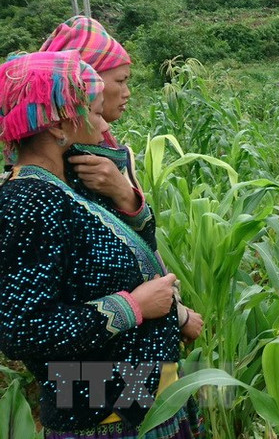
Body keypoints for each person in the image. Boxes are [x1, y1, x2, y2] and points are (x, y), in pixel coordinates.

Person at [0, 50, 202, 437]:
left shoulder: (74, 179)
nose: (102, 120)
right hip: (100, 411)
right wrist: (134, 306)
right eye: (93, 112)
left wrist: (124, 193)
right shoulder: (28, 205)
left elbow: (134, 246)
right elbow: (23, 330)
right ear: (59, 125)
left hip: (140, 392)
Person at [40, 16, 203, 343]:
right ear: (85, 86)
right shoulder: (54, 176)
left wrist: (123, 193)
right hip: (104, 362)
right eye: (121, 80)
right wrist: (178, 313)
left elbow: (140, 245)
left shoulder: (104, 152)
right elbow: (107, 273)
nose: (127, 93)